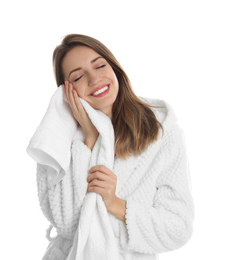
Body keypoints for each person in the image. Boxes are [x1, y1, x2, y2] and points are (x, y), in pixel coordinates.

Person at [29, 34, 194, 260]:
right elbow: (66, 223)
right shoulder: (56, 139)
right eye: (78, 77)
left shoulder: (161, 131)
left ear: (115, 69)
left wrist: (115, 204)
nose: (94, 78)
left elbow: (178, 228)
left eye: (99, 65)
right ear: (66, 91)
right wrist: (90, 140)